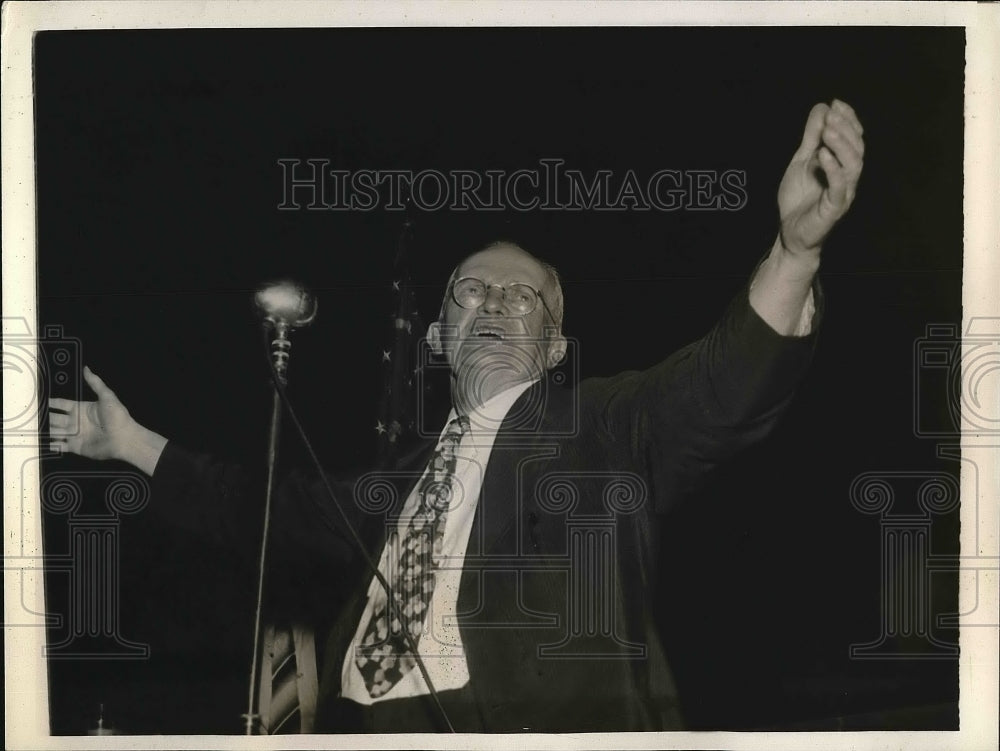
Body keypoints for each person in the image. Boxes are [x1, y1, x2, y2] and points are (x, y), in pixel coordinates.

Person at [48, 100, 865, 732]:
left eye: (523, 297)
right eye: (472, 291)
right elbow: (257, 507)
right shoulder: (388, 486)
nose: (496, 305)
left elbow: (718, 388)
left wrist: (795, 251)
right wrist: (127, 442)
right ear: (438, 336)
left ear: (554, 345)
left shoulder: (599, 431)